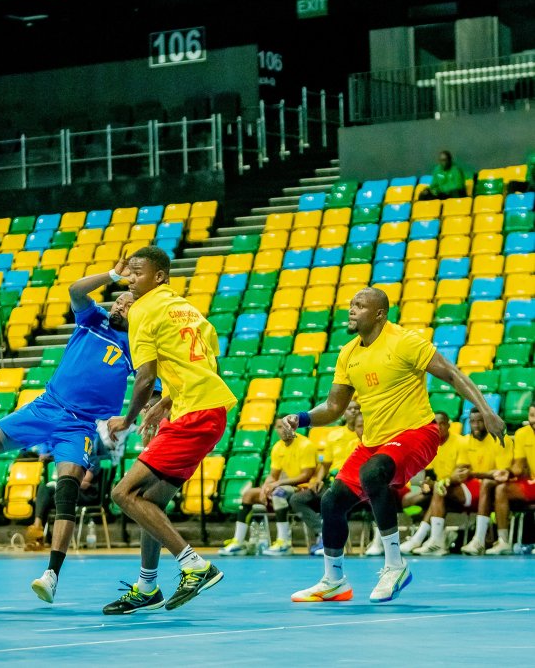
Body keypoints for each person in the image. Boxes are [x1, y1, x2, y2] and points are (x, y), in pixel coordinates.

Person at [0, 254, 139, 605]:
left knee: (67, 488)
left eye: (127, 304)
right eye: (118, 300)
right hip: (46, 407)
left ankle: (51, 575)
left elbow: (151, 387)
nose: (119, 305)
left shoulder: (136, 347)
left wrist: (144, 414)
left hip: (79, 426)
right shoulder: (93, 319)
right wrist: (111, 275)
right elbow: (75, 290)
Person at [285, 287, 505, 604]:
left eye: (360, 305)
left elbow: (452, 374)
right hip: (375, 442)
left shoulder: (404, 341)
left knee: (373, 473)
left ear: (379, 314)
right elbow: (333, 408)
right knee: (332, 501)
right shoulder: (348, 353)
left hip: (418, 433)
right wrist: (302, 418)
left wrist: (486, 411)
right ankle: (334, 581)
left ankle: (395, 565)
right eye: (351, 304)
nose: (351, 309)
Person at [104, 246, 236, 614]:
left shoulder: (143, 310)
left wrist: (128, 419)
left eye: (138, 273)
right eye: (129, 273)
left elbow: (145, 377)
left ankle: (195, 565)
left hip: (194, 414)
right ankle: (148, 587)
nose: (130, 279)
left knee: (123, 493)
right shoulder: (188, 309)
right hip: (206, 410)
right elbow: (206, 365)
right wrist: (166, 402)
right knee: (150, 501)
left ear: (159, 276)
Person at [402, 409, 511, 556]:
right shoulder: (464, 442)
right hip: (463, 487)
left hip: (488, 488)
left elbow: (500, 474)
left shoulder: (494, 440)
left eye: (480, 421)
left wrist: (462, 476)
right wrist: (427, 484)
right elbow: (456, 472)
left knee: (440, 488)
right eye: (472, 422)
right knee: (425, 493)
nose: (476, 425)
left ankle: (430, 539)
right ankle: (432, 540)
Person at [219, 418, 316, 556]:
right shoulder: (277, 447)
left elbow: (306, 476)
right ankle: (238, 543)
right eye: (279, 427)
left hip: (303, 488)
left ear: (293, 427)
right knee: (249, 494)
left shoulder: (306, 445)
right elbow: (273, 476)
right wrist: (265, 487)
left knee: (279, 493)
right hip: (285, 486)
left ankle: (284, 542)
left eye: (286, 426)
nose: (283, 430)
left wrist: (277, 484)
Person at [290, 408, 362, 556]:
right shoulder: (334, 435)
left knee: (332, 501)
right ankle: (322, 531)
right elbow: (326, 464)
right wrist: (317, 479)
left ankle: (330, 539)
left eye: (357, 408)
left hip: (354, 485)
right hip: (332, 482)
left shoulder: (365, 436)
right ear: (344, 412)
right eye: (350, 408)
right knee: (297, 499)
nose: (353, 411)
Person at [396, 411, 464, 553]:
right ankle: (435, 537)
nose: (439, 427)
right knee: (408, 500)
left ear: (449, 425)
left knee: (438, 489)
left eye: (442, 424)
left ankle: (420, 539)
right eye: (436, 424)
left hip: (457, 488)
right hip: (439, 488)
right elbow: (429, 476)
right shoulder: (431, 445)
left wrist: (436, 484)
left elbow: (460, 474)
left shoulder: (460, 442)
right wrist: (426, 485)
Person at [485, 401, 535, 555]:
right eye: (532, 416)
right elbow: (518, 466)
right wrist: (508, 473)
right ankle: (503, 541)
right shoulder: (521, 434)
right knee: (501, 489)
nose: (534, 420)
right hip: (532, 483)